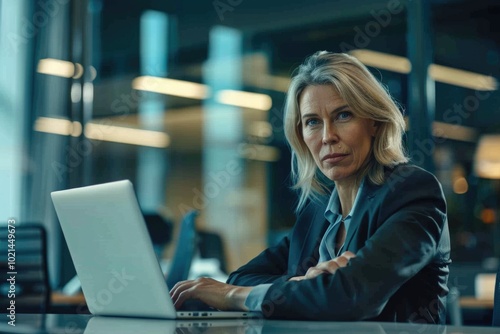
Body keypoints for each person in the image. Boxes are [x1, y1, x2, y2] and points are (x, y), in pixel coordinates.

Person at [170, 51, 451, 323]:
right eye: (313, 122)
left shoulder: (411, 191)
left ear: (374, 122)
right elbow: (243, 276)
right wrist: (304, 285)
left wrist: (234, 296)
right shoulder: (317, 213)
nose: (328, 137)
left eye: (343, 115)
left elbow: (352, 297)